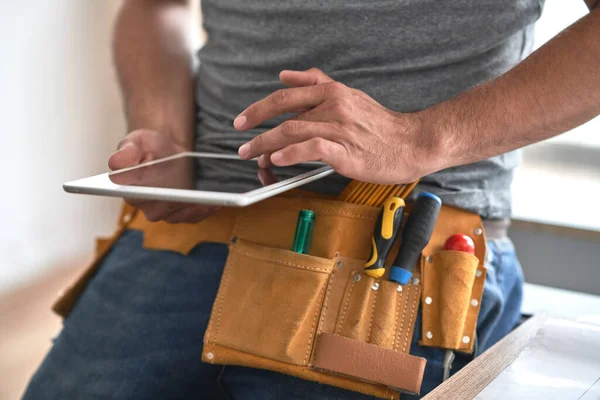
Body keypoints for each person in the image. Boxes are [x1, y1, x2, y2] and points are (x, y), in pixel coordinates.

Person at [24, 0, 600, 399]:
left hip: (402, 249)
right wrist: (164, 133)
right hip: (188, 226)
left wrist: (424, 138)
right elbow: (155, 8)